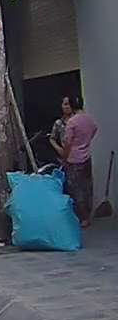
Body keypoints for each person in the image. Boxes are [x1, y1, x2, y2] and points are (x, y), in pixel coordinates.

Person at [59, 95, 100, 227]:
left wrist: (65, 158)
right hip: (86, 158)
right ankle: (87, 215)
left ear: (71, 106)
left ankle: (81, 218)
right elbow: (94, 129)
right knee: (87, 186)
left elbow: (67, 143)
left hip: (73, 159)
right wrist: (85, 143)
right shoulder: (88, 119)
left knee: (76, 189)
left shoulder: (72, 122)